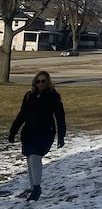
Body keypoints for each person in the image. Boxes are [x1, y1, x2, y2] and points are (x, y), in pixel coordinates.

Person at [8, 70, 66, 202]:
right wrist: (13, 131)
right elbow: (22, 115)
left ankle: (37, 187)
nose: (41, 84)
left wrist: (61, 136)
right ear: (35, 82)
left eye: (43, 81)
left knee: (35, 157)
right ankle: (33, 188)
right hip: (29, 132)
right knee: (30, 159)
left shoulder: (53, 96)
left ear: (48, 82)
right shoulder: (29, 96)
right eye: (38, 81)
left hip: (45, 132)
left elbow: (60, 117)